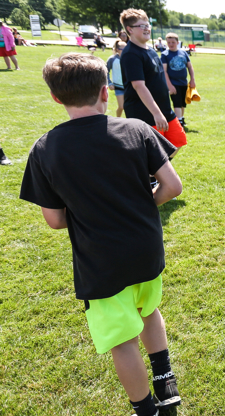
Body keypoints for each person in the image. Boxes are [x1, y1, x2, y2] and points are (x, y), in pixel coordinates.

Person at [19, 52, 184, 416]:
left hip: (100, 260)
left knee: (122, 340)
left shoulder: (45, 149)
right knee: (149, 310)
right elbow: (172, 186)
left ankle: (147, 410)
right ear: (106, 91)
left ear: (56, 98)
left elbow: (55, 220)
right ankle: (165, 379)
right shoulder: (137, 130)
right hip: (145, 248)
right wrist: (143, 206)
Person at [119, 9, 187, 167]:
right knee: (150, 151)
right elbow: (138, 86)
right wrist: (156, 113)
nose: (146, 28)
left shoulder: (150, 50)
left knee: (178, 141)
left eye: (147, 24)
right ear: (129, 29)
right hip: (145, 113)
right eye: (141, 26)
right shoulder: (131, 54)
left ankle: (153, 173)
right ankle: (151, 178)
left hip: (165, 110)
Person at [161, 32, 196, 128]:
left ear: (177, 42)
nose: (171, 44)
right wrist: (170, 85)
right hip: (173, 83)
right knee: (176, 102)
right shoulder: (165, 55)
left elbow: (190, 66)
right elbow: (164, 71)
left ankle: (181, 118)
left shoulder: (183, 53)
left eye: (173, 42)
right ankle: (179, 122)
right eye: (169, 42)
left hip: (183, 82)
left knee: (182, 103)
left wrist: (192, 79)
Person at [107, 41, 126, 117]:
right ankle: (117, 120)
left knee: (129, 107)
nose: (124, 50)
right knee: (121, 106)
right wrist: (109, 83)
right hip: (118, 86)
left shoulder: (129, 58)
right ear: (117, 49)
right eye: (122, 49)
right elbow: (106, 71)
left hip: (129, 86)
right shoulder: (112, 59)